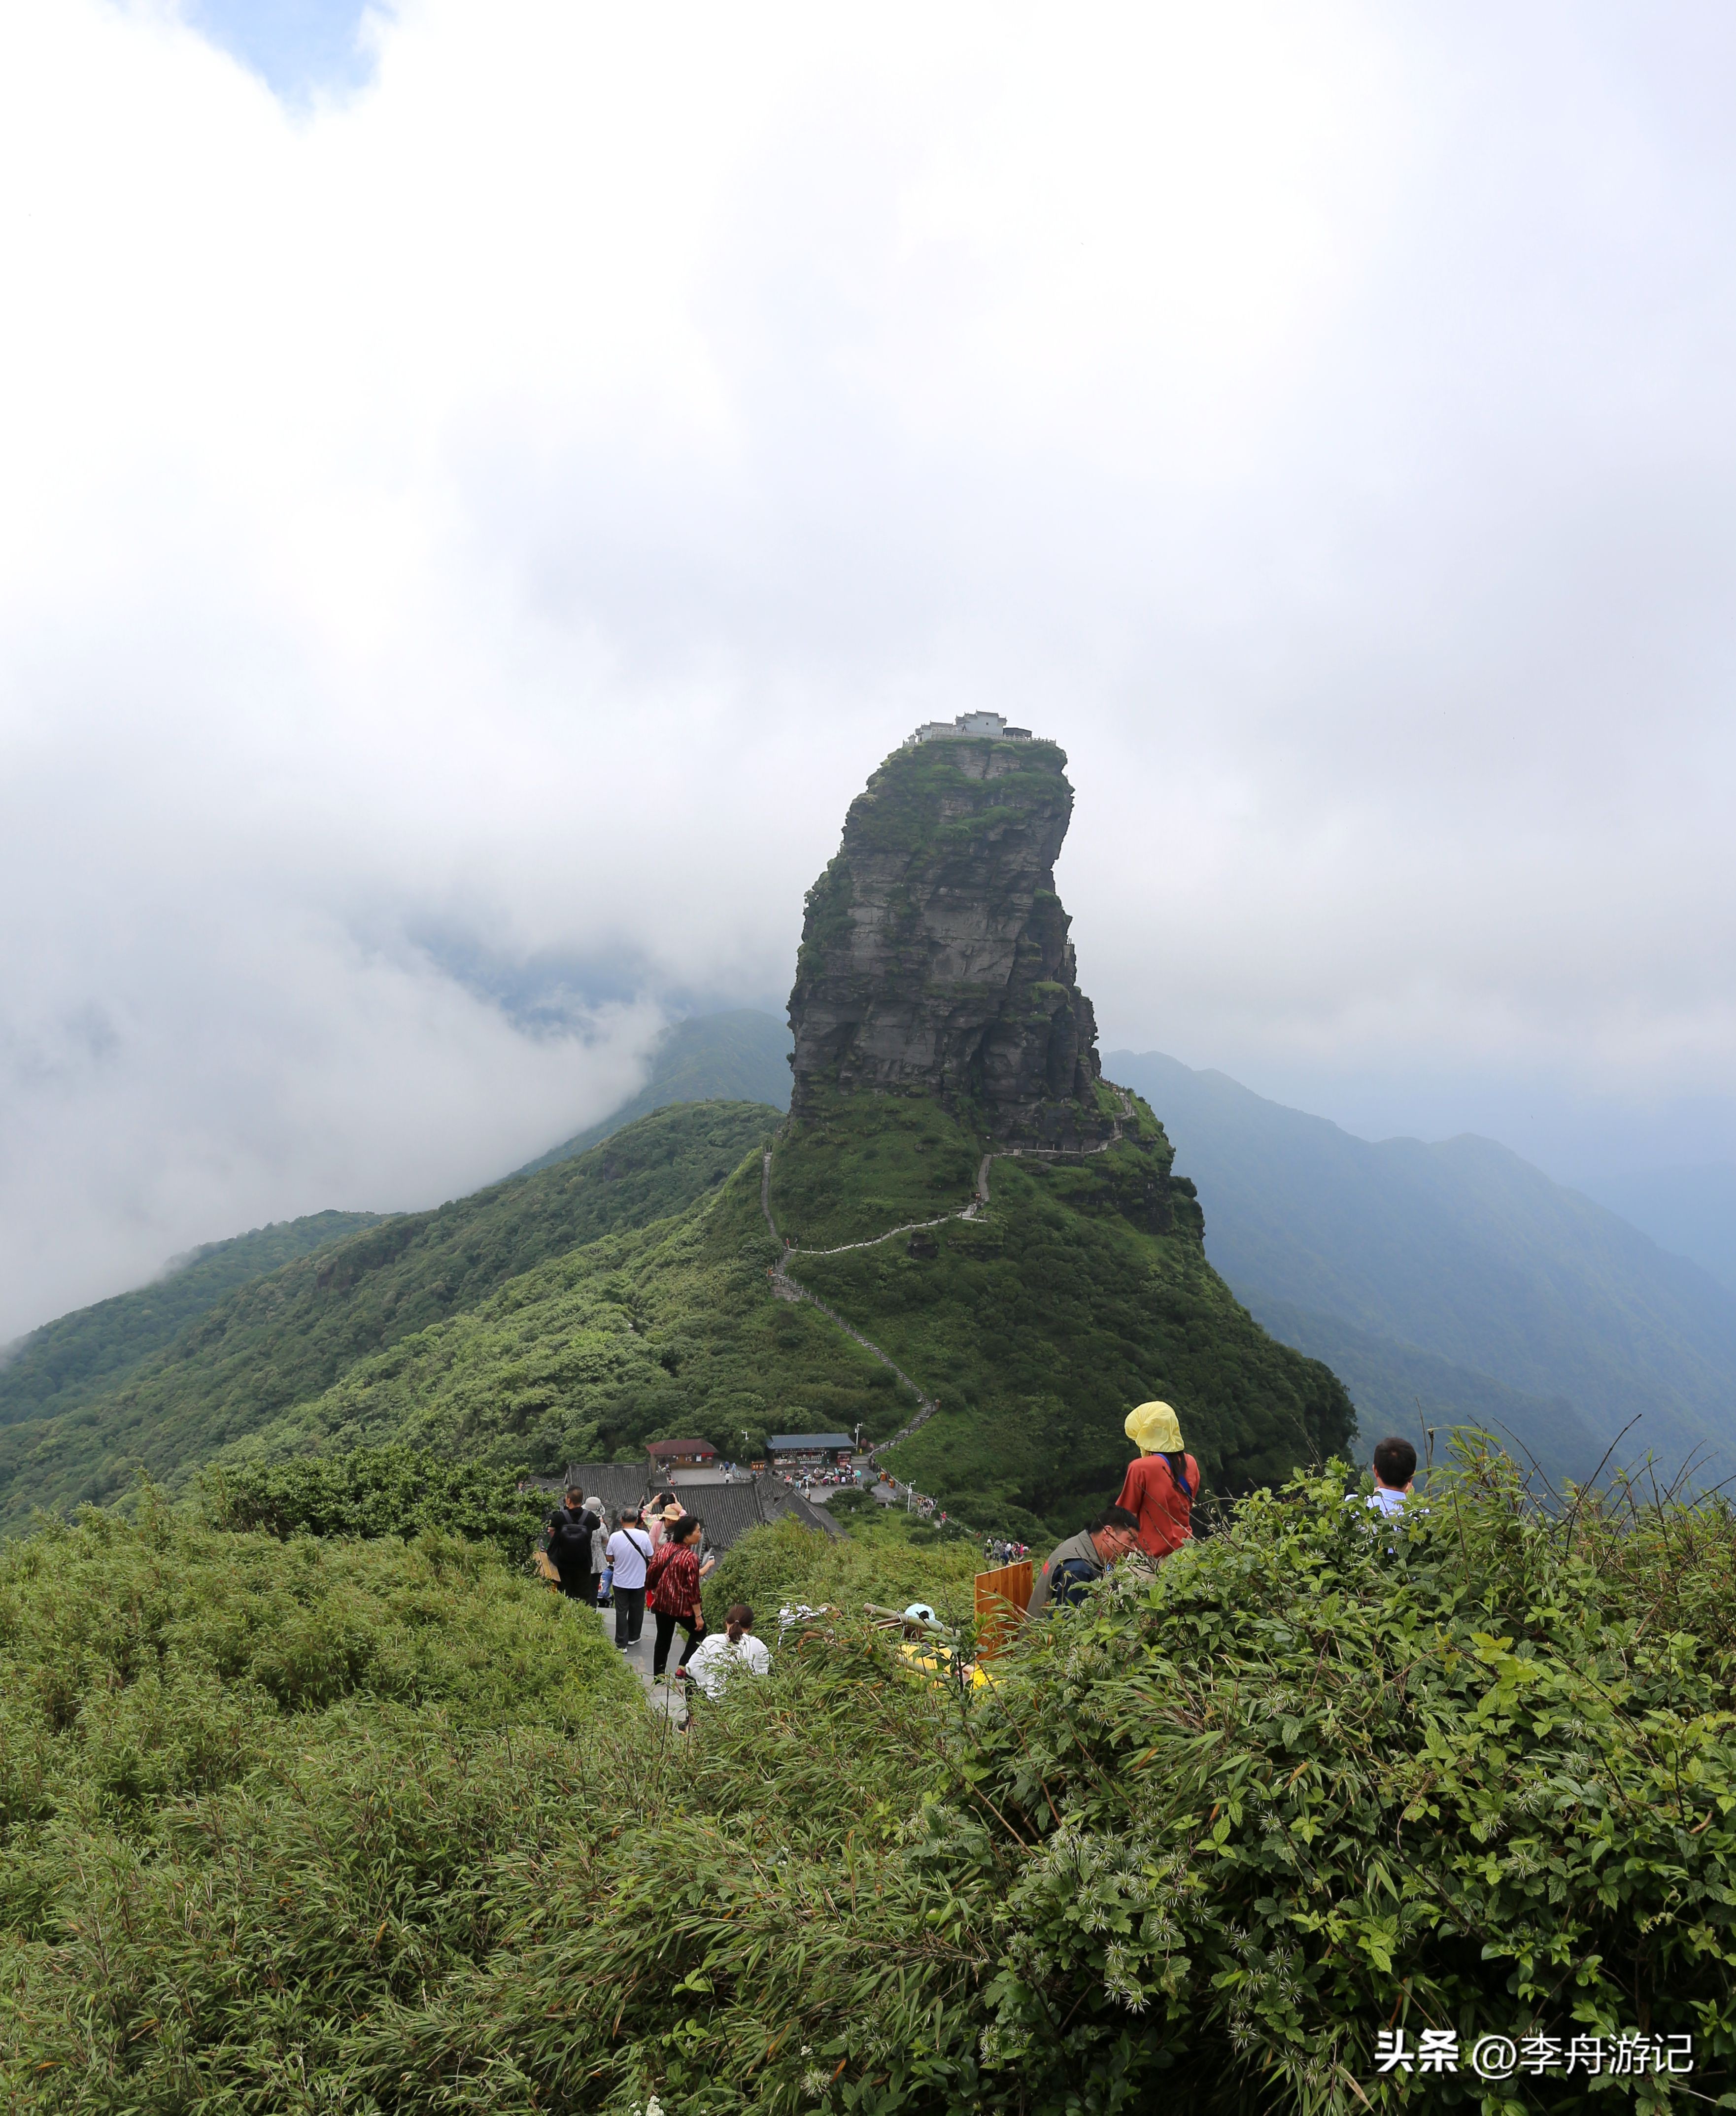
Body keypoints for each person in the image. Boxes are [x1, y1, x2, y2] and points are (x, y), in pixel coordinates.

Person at [1115, 1400, 1201, 1562]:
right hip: (1185, 1556)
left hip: (1149, 1558)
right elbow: (1188, 1506)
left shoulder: (1140, 1467)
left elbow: (1127, 1516)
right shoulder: (1190, 1463)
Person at [1026, 1506, 1141, 1616]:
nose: (1132, 1549)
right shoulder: (1079, 1568)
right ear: (1107, 1533)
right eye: (1131, 1540)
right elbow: (1069, 1623)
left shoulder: (1078, 1547)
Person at [647, 1513, 714, 1679]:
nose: (700, 1534)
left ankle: (659, 1676)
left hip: (662, 1603)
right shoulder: (690, 1558)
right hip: (682, 1607)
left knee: (663, 1639)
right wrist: (698, 1615)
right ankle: (683, 1666)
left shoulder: (666, 1548)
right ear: (687, 1535)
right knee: (700, 1631)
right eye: (698, 1531)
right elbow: (693, 1589)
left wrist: (653, 1589)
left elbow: (653, 1571)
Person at [681, 1603, 771, 1699]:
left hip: (718, 1701)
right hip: (750, 1701)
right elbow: (767, 1669)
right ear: (750, 1627)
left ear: (726, 1622)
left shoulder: (712, 1641)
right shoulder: (757, 1644)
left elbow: (692, 1669)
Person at [606, 1506, 654, 1649]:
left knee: (621, 1611)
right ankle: (634, 1637)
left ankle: (621, 1643)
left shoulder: (615, 1537)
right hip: (639, 1581)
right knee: (637, 1610)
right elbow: (651, 1555)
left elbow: (609, 1558)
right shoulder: (644, 1535)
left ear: (621, 1520)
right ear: (637, 1520)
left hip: (620, 1581)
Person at [545, 1486, 601, 1604]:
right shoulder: (590, 1517)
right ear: (582, 1500)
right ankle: (582, 1615)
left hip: (562, 1563)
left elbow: (550, 1526)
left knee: (564, 1594)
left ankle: (564, 1614)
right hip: (583, 1563)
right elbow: (597, 1525)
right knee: (583, 1596)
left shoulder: (559, 1517)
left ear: (568, 1500)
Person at [1368, 1436, 1418, 1516]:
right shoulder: (1422, 1515)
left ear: (1375, 1471)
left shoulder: (1353, 1505)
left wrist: (1373, 1493)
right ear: (1412, 1476)